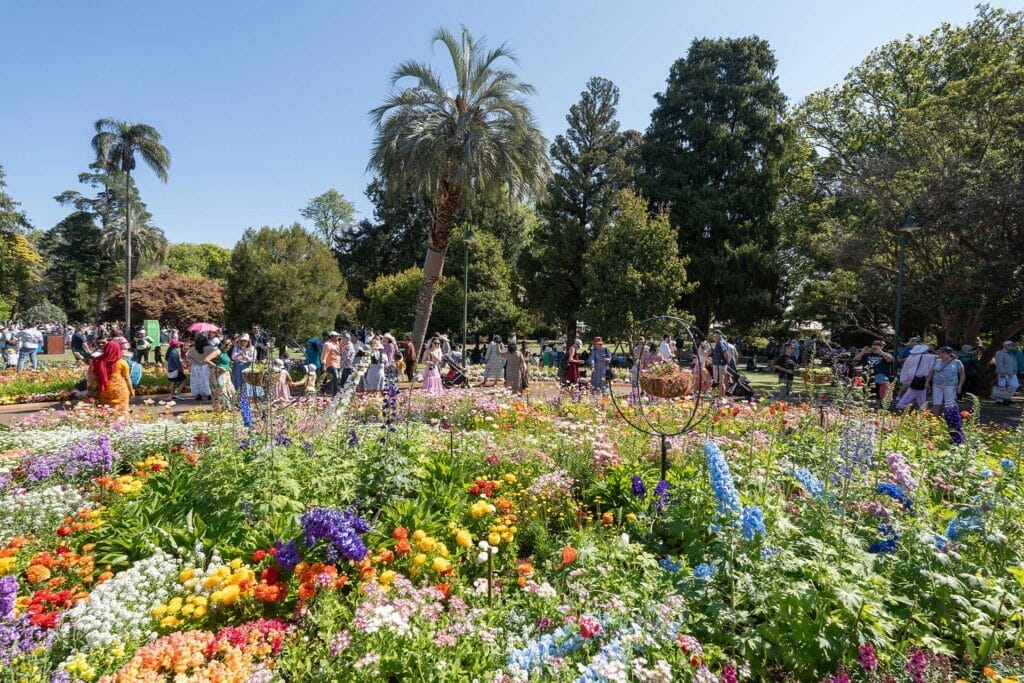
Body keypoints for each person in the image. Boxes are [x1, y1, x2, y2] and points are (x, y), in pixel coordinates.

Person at [88, 340, 134, 409]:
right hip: (120, 391)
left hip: (104, 390)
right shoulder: (122, 363)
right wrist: (131, 390)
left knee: (106, 412)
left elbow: (91, 378)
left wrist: (92, 392)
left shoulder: (96, 362)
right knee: (122, 411)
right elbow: (127, 378)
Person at [895, 343, 935, 411]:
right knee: (913, 391)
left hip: (911, 375)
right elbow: (938, 357)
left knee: (920, 391)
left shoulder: (911, 356)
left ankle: (922, 407)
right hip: (918, 377)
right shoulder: (925, 356)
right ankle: (901, 404)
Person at [927, 346, 965, 414]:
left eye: (943, 353)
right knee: (936, 403)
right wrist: (927, 382)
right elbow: (931, 372)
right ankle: (934, 419)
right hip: (937, 385)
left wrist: (960, 385)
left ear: (949, 354)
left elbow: (962, 375)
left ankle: (949, 419)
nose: (941, 355)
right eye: (940, 353)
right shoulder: (937, 361)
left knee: (949, 404)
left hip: (950, 386)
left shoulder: (957, 362)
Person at [186, 335, 213, 401]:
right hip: (206, 366)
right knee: (207, 380)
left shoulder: (192, 349)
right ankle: (209, 395)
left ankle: (199, 395)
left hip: (196, 367)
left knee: (197, 381)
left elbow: (187, 358)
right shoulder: (210, 349)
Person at [210, 342, 236, 410]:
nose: (228, 346)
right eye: (227, 344)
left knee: (231, 391)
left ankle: (228, 407)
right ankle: (221, 408)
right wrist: (218, 367)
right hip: (218, 375)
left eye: (230, 345)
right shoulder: (218, 351)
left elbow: (224, 362)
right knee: (221, 392)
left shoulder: (224, 352)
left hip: (226, 375)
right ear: (222, 344)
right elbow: (206, 360)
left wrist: (229, 368)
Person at [710, 330, 731, 399]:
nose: (713, 337)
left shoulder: (720, 343)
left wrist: (727, 362)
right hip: (720, 365)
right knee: (721, 382)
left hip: (719, 365)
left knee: (720, 382)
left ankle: (721, 397)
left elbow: (725, 353)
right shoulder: (722, 342)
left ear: (717, 335)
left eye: (714, 336)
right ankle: (722, 396)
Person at [321, 331, 342, 396]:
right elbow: (324, 355)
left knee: (337, 378)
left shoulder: (337, 344)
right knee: (336, 377)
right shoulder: (327, 344)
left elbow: (341, 351)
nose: (338, 337)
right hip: (330, 364)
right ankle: (334, 394)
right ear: (332, 337)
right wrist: (323, 365)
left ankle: (325, 387)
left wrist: (340, 342)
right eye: (336, 336)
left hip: (337, 364)